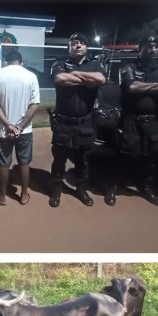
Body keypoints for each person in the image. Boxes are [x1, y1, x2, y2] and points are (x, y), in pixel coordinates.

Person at [105, 36, 158, 206]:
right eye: (148, 46)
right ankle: (112, 187)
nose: (152, 49)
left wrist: (145, 86)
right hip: (130, 121)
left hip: (153, 122)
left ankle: (145, 187)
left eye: (154, 46)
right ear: (141, 47)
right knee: (123, 157)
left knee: (149, 159)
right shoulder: (128, 66)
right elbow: (131, 87)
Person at [49, 32, 107, 207]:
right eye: (74, 43)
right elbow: (60, 78)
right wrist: (87, 79)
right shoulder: (59, 63)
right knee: (59, 159)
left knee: (83, 160)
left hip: (86, 122)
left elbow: (101, 79)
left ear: (87, 47)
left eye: (82, 43)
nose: (78, 45)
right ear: (69, 47)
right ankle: (56, 190)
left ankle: (81, 189)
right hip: (64, 122)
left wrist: (73, 74)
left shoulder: (95, 64)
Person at [0, 50, 40, 206]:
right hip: (24, 131)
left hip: (3, 130)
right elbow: (34, 105)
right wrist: (20, 126)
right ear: (21, 62)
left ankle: (2, 196)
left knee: (4, 164)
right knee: (24, 163)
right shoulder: (31, 76)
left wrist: (7, 124)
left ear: (6, 62)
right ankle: (24, 195)